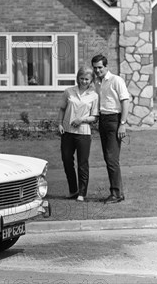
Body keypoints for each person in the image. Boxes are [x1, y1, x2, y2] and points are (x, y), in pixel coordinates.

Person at [91, 54, 130, 204]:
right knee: (108, 158)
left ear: (106, 67)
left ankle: (116, 194)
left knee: (112, 158)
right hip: (103, 120)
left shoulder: (116, 80)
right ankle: (118, 192)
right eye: (95, 68)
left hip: (115, 120)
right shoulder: (98, 83)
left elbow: (125, 102)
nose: (97, 70)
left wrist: (123, 123)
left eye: (100, 67)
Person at [57, 66, 99, 202]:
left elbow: (94, 117)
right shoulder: (69, 91)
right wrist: (59, 123)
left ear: (91, 79)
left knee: (82, 163)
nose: (84, 81)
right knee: (67, 160)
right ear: (78, 78)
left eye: (87, 79)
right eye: (81, 78)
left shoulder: (94, 95)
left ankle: (82, 192)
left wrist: (82, 119)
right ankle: (73, 190)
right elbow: (62, 109)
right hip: (67, 132)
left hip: (83, 133)